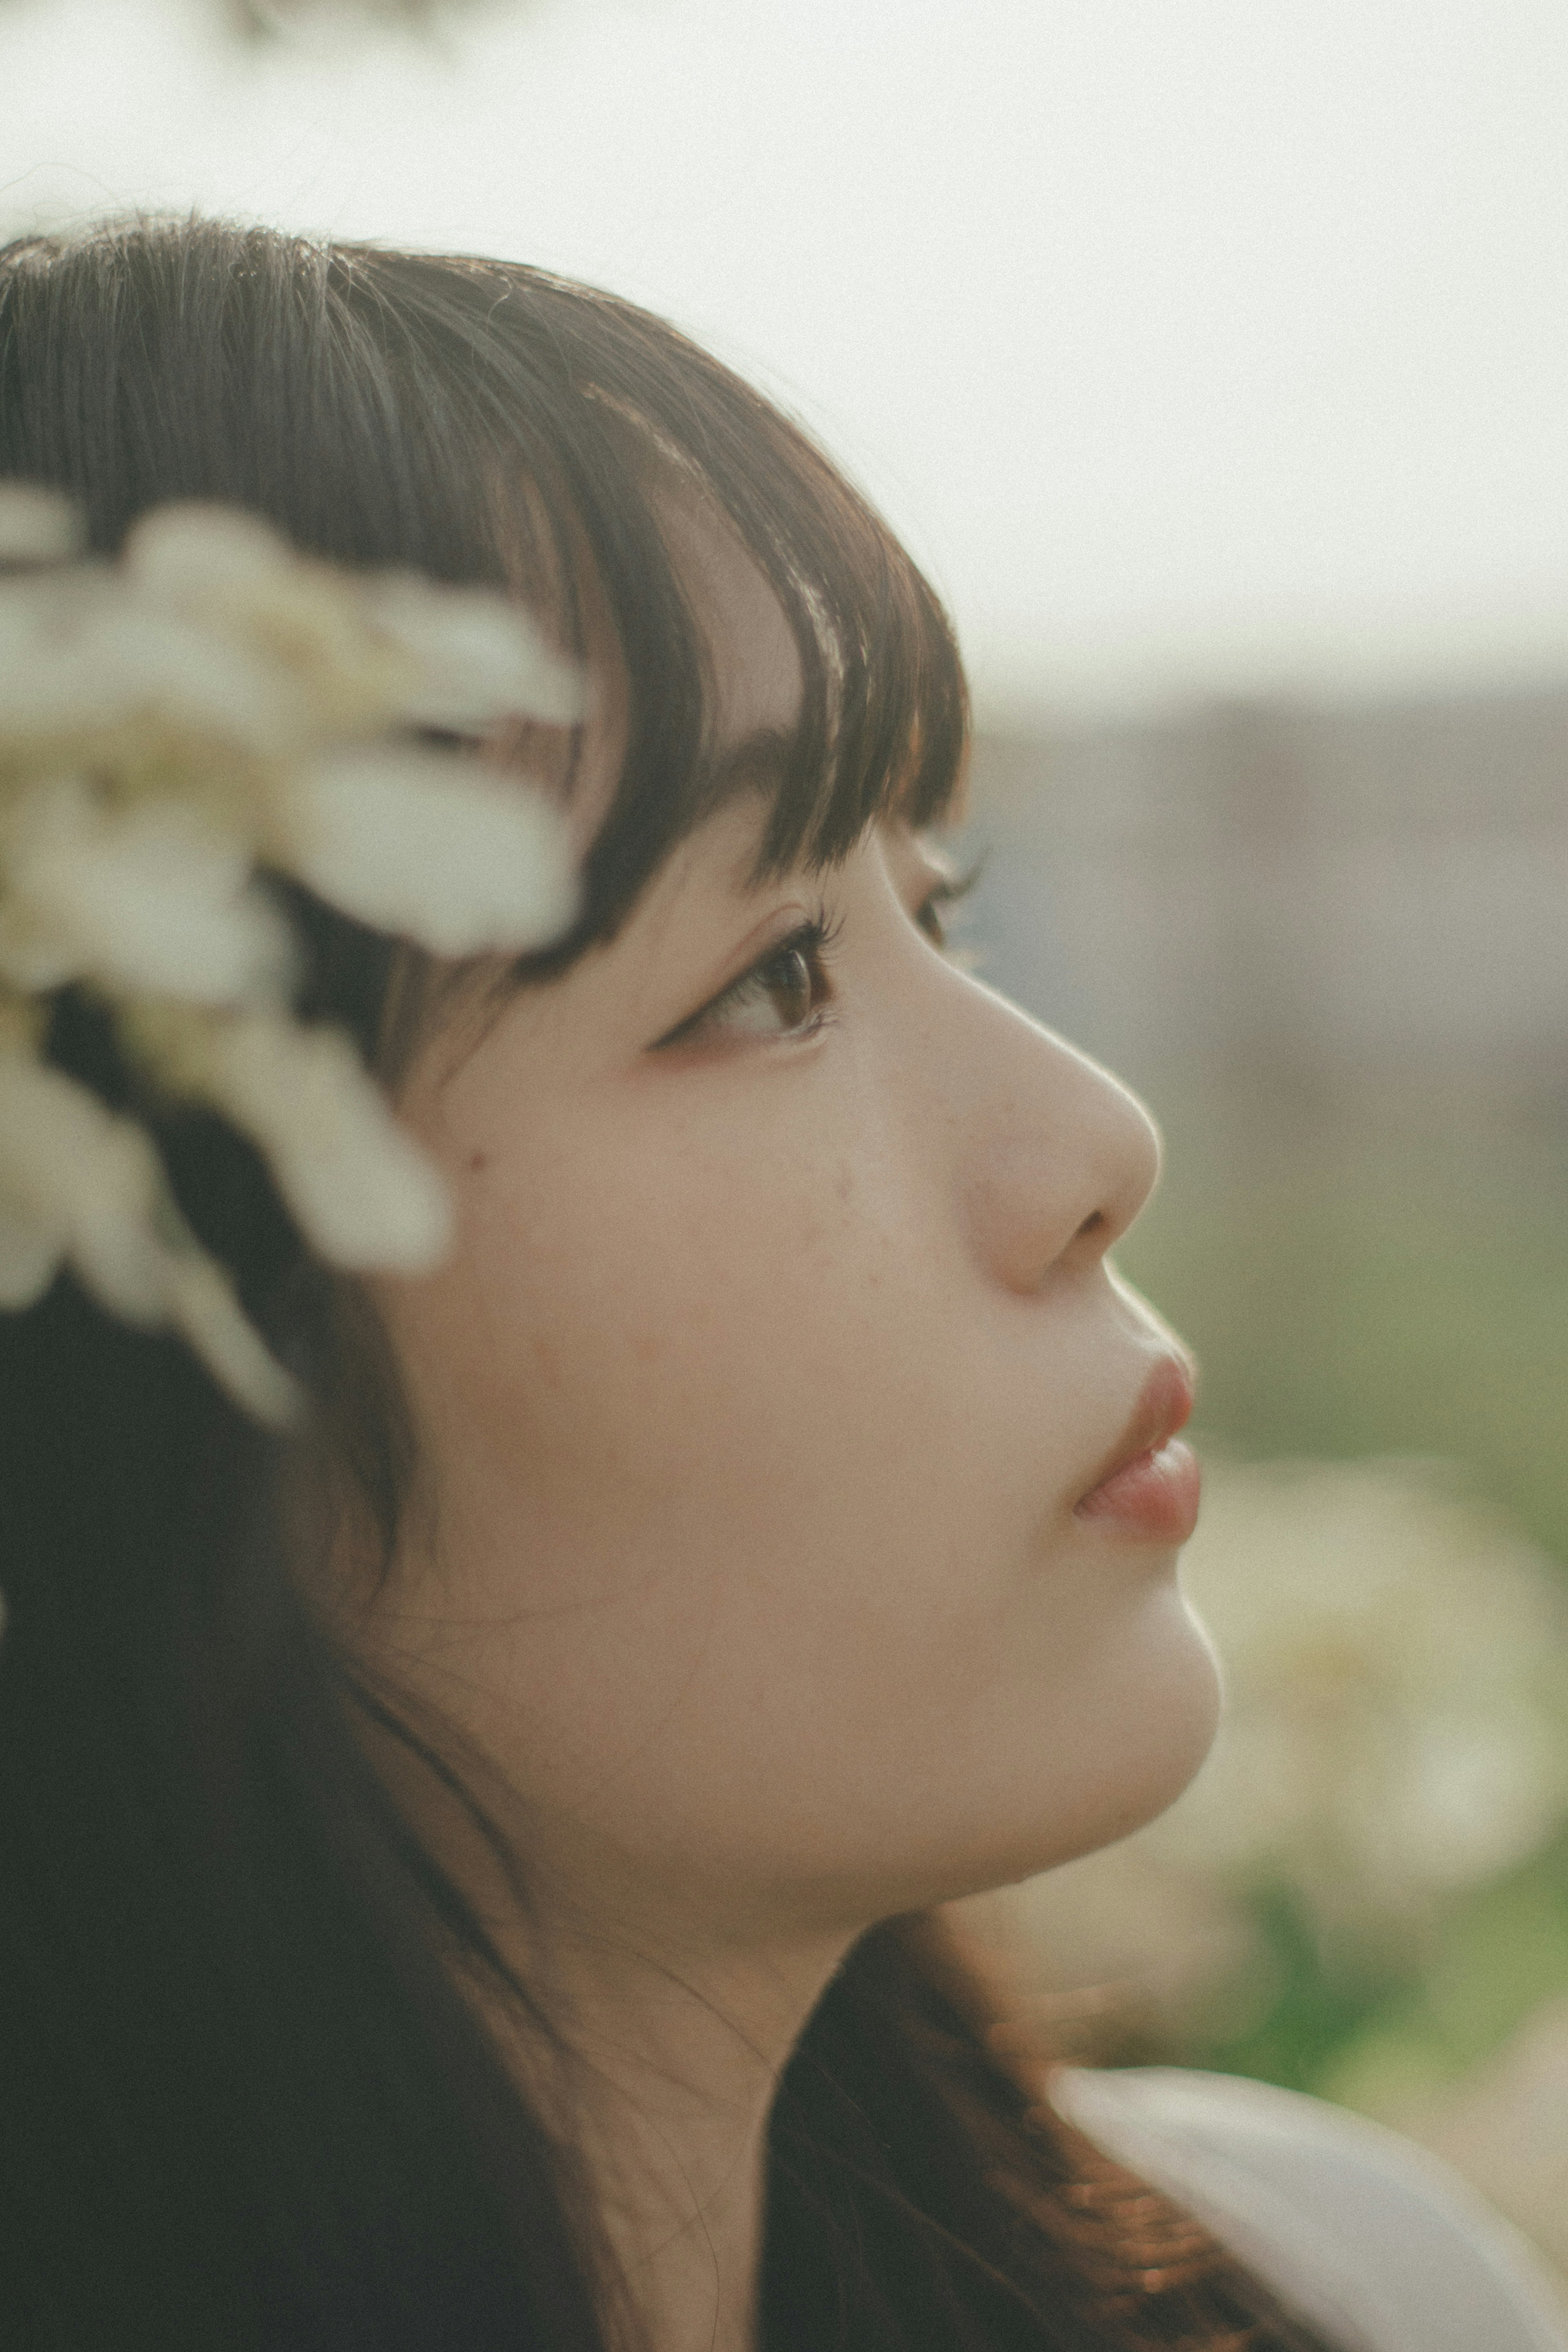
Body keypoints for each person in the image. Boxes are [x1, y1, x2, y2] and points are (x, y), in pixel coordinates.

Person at [0, 216, 1560, 2352]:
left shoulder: (1336, 2294)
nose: (1097, 1149)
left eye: (943, 902)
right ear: (122, 1295)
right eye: (770, 979)